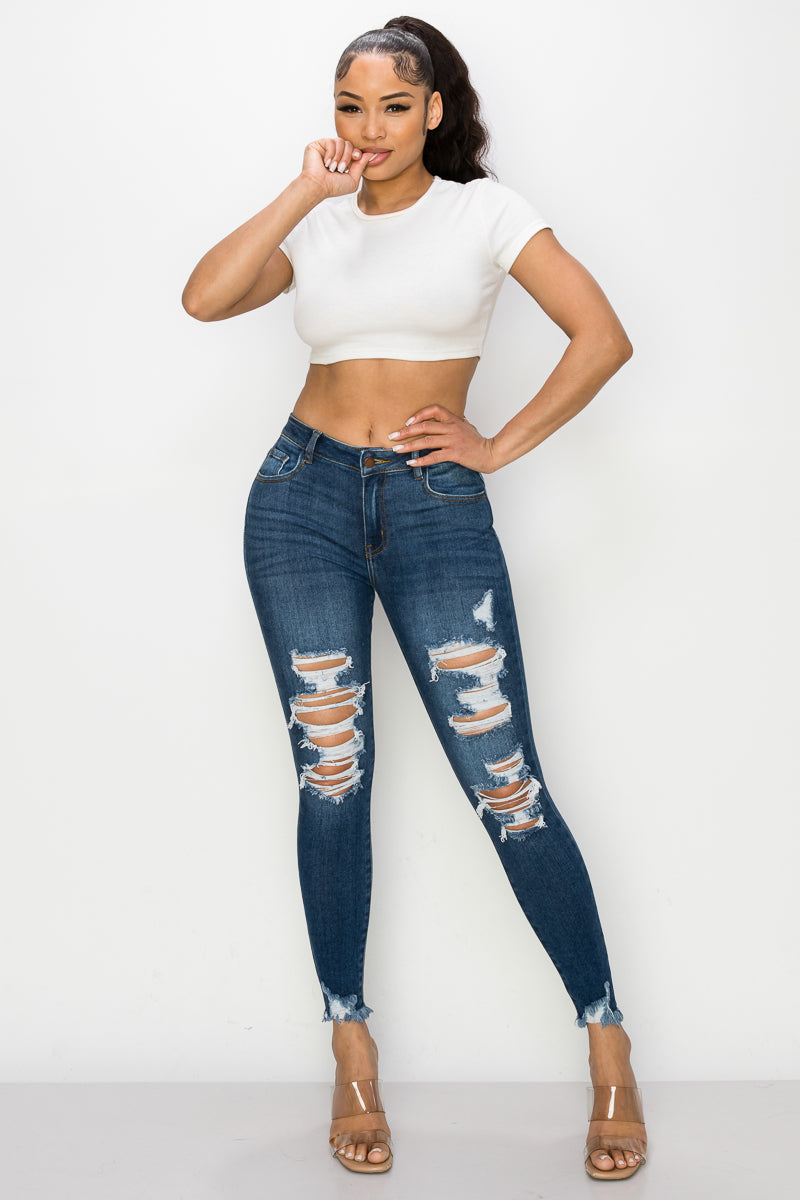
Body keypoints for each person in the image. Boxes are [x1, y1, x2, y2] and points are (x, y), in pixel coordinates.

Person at [182, 15, 648, 1182]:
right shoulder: (320, 217)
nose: (372, 127)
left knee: (507, 784)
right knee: (330, 777)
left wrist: (495, 446)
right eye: (350, 105)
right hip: (299, 500)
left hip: (435, 508)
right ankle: (350, 1047)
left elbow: (601, 337)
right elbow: (205, 297)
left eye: (394, 105)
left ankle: (606, 1042)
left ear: (434, 108)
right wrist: (303, 195)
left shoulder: (486, 214)